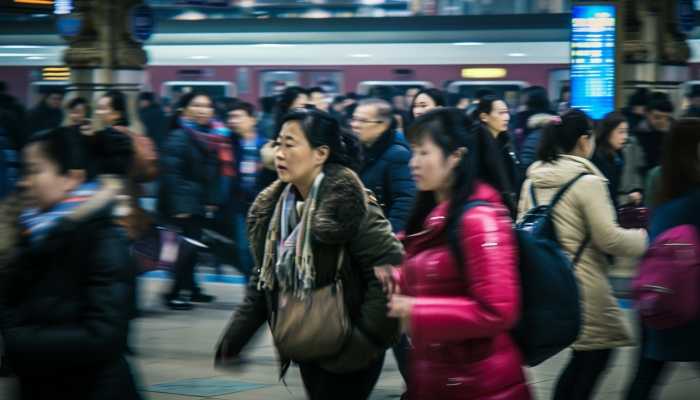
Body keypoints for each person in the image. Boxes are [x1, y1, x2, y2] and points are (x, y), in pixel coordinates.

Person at [215, 108, 403, 400]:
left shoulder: (352, 206)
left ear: (320, 153)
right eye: (278, 143)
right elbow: (265, 276)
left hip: (350, 346)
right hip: (308, 341)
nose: (279, 153)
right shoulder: (276, 209)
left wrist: (362, 342)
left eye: (290, 144)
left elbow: (391, 275)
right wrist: (236, 338)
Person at [380, 107, 531, 399]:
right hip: (439, 375)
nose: (414, 163)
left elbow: (498, 311)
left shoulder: (480, 220)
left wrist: (414, 311)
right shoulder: (432, 218)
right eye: (413, 152)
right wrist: (397, 277)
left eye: (424, 153)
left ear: (456, 157)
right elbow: (439, 280)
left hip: (478, 383)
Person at [0, 127, 141, 399]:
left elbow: (104, 336)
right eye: (23, 172)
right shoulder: (30, 234)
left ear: (71, 178)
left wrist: (17, 341)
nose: (23, 182)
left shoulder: (102, 240)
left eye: (34, 171)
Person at [518, 109, 648, 400]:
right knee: (596, 356)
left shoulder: (531, 182)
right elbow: (609, 238)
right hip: (584, 284)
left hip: (546, 282)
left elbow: (523, 231)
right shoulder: (588, 183)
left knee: (583, 361)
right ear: (583, 141)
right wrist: (642, 239)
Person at [624, 118, 700, 400]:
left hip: (660, 292)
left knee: (645, 374)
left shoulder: (660, 179)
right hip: (693, 300)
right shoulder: (693, 199)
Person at [159, 92, 226, 310]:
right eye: (196, 105)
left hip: (196, 203)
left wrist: (210, 200)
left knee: (192, 250)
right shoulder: (180, 135)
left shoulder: (210, 135)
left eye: (206, 106)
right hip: (182, 207)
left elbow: (211, 172)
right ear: (185, 109)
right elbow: (171, 173)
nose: (201, 110)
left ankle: (191, 288)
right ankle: (175, 293)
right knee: (183, 253)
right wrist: (181, 207)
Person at [225, 101, 276, 277]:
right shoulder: (228, 144)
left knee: (263, 250)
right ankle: (252, 290)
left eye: (238, 116)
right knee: (243, 251)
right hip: (240, 205)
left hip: (264, 206)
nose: (233, 121)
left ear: (253, 120)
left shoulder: (267, 146)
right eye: (230, 117)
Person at [351, 98, 416, 233]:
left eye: (362, 121)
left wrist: (390, 236)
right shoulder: (361, 149)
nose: (355, 125)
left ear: (383, 125)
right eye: (354, 119)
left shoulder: (397, 155)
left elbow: (405, 200)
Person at [471, 95, 520, 212]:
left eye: (507, 112)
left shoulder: (505, 141)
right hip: (486, 207)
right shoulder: (476, 143)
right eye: (501, 113)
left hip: (503, 206)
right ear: (484, 117)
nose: (507, 117)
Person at [591, 111, 642, 207]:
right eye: (621, 132)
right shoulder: (597, 157)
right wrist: (627, 198)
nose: (625, 137)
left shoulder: (619, 154)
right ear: (608, 132)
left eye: (626, 132)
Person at [633, 94, 673, 177]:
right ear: (647, 114)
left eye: (667, 118)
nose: (662, 121)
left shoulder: (674, 132)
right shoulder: (637, 134)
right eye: (657, 117)